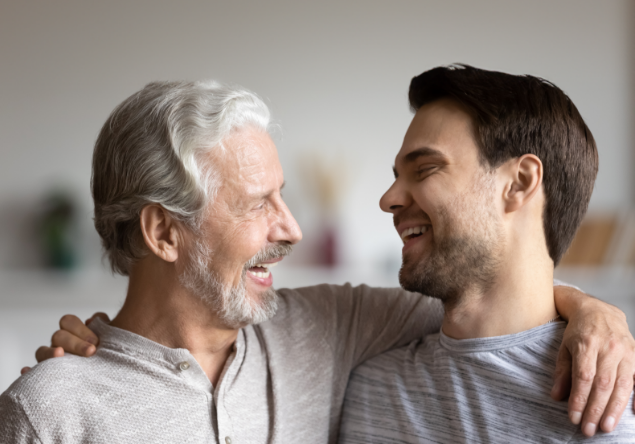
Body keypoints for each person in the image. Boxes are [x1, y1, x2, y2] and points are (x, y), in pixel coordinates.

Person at [1, 79, 632, 443]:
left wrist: (595, 312)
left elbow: (487, 294)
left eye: (286, 196)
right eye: (258, 204)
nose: (293, 228)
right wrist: (75, 382)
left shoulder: (324, 330)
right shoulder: (51, 408)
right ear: (164, 232)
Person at [339, 65, 635, 443]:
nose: (388, 199)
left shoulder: (616, 410)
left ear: (519, 183)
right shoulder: (370, 391)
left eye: (425, 169)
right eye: (396, 176)